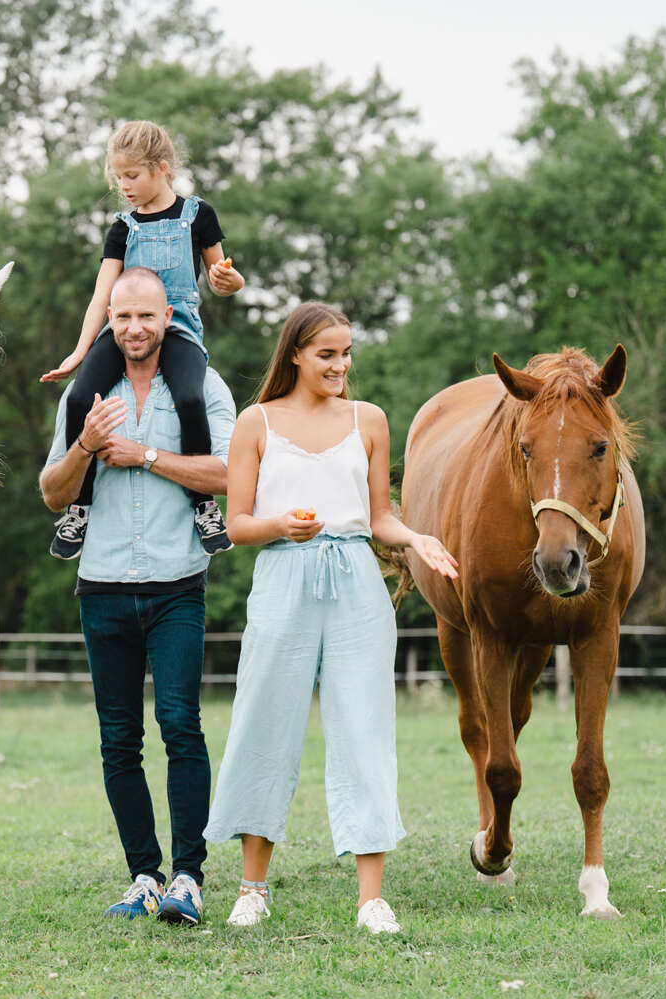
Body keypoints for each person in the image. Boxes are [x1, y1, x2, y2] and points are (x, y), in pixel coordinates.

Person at [202, 302, 459, 935]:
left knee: (365, 731)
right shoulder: (255, 422)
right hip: (283, 578)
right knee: (263, 725)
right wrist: (279, 526)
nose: (341, 365)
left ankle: (372, 898)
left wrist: (416, 539)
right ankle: (252, 888)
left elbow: (379, 518)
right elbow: (236, 525)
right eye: (327, 354)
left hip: (355, 585)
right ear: (295, 354)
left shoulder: (369, 421)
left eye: (346, 354)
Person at [40, 266, 237, 925]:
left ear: (168, 319)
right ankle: (143, 875)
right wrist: (87, 449)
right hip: (101, 589)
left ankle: (189, 876)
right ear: (109, 322)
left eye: (145, 317)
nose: (133, 329)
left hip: (178, 585)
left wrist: (147, 455)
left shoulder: (202, 386)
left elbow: (233, 474)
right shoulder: (84, 397)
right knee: (119, 739)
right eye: (121, 318)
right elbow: (51, 492)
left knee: (181, 726)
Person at [41, 120, 244, 560]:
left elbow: (223, 277)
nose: (124, 186)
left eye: (131, 175)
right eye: (118, 177)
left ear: (162, 169)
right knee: (79, 402)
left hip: (179, 329)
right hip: (124, 332)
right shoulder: (122, 228)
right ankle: (80, 507)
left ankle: (204, 506)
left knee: (190, 397)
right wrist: (80, 352)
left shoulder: (198, 216)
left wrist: (229, 280)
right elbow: (101, 296)